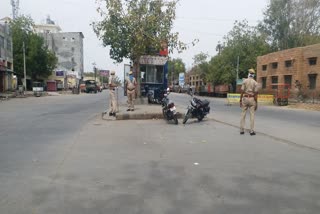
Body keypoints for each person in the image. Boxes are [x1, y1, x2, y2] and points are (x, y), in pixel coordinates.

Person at [240, 68, 258, 135]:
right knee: (252, 115)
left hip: (245, 98)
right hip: (252, 99)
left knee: (243, 114)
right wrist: (256, 103)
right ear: (253, 75)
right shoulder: (255, 83)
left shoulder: (244, 81)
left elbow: (242, 91)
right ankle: (251, 131)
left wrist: (240, 100)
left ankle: (242, 130)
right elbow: (256, 93)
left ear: (248, 74)